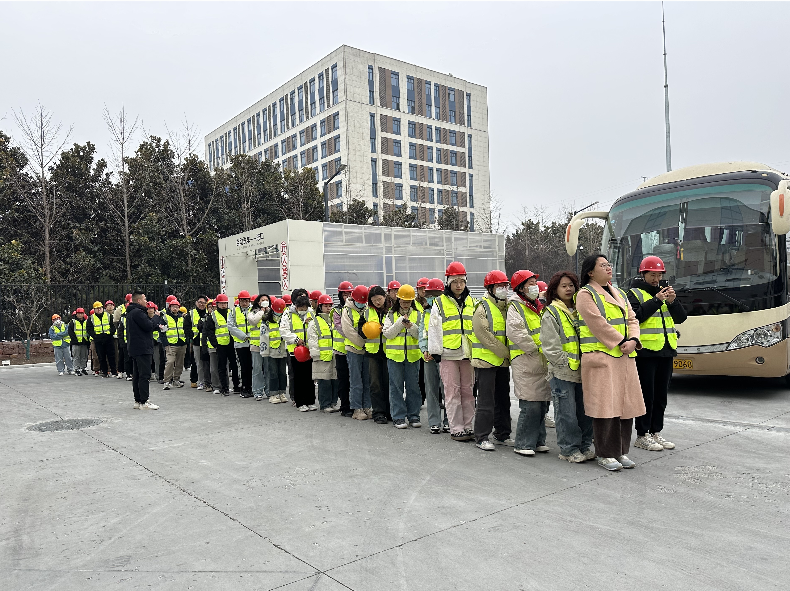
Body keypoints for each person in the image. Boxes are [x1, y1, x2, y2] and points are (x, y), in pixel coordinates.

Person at [577, 254, 646, 471]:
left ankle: (621, 451)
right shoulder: (585, 294)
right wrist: (622, 341)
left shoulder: (619, 293)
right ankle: (606, 453)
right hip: (602, 356)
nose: (609, 268)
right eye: (603, 265)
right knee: (605, 407)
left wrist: (634, 340)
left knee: (625, 406)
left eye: (609, 264)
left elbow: (632, 319)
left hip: (624, 356)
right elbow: (598, 324)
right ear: (590, 272)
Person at [628, 255, 686, 452]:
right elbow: (636, 317)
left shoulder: (665, 293)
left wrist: (672, 302)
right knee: (647, 395)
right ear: (643, 274)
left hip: (666, 350)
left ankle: (656, 432)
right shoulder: (634, 294)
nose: (656, 279)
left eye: (659, 275)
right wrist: (656, 300)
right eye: (652, 275)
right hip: (646, 352)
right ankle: (642, 435)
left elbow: (681, 318)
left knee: (661, 395)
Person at [541, 271, 594, 463]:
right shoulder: (551, 312)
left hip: (584, 369)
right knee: (567, 414)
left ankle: (584, 445)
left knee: (585, 411)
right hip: (563, 371)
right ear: (554, 290)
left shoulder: (581, 309)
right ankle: (568, 449)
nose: (568, 289)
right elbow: (549, 345)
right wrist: (564, 363)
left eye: (571, 285)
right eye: (563, 286)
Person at [428, 262, 476, 442]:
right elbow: (433, 328)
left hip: (467, 353)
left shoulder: (472, 301)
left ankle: (469, 426)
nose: (458, 285)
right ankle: (456, 428)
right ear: (448, 282)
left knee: (468, 392)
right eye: (455, 281)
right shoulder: (440, 302)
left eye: (461, 281)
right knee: (452, 392)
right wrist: (435, 351)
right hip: (448, 353)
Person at [508, 270, 552, 457]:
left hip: (540, 358)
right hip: (526, 359)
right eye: (530, 282)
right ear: (521, 287)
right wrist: (534, 348)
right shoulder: (516, 307)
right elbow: (515, 332)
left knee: (542, 403)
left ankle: (538, 440)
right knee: (530, 403)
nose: (535, 285)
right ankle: (524, 442)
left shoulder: (537, 305)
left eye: (535, 282)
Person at [469, 270, 514, 451]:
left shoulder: (506, 306)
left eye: (505, 286)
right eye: (499, 286)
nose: (503, 289)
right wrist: (506, 352)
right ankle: (481, 436)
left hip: (502, 362)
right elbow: (484, 335)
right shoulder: (483, 307)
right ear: (490, 288)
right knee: (486, 401)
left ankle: (502, 434)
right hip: (486, 361)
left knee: (503, 400)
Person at [382, 284, 422, 429]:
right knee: (396, 388)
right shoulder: (391, 315)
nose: (406, 304)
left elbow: (420, 335)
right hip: (394, 357)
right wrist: (400, 323)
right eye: (403, 301)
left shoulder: (418, 314)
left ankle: (414, 416)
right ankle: (398, 417)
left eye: (409, 301)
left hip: (413, 356)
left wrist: (411, 326)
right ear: (398, 300)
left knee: (413, 387)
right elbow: (387, 334)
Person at [419, 278, 449, 434]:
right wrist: (425, 349)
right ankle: (434, 421)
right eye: (429, 294)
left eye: (435, 294)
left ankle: (448, 420)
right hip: (428, 356)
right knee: (431, 389)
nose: (431, 297)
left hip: (444, 355)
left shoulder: (446, 312)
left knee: (447, 390)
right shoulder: (425, 312)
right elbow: (422, 334)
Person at [281, 294, 317, 411]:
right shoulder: (288, 314)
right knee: (298, 377)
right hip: (295, 351)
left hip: (308, 349)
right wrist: (296, 339)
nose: (302, 310)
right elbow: (283, 331)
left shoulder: (311, 313)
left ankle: (310, 401)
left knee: (309, 377)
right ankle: (300, 402)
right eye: (300, 308)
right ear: (296, 306)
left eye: (304, 308)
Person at [342, 285, 372, 420]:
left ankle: (367, 406)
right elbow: (348, 331)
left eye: (363, 302)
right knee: (356, 381)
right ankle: (356, 408)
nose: (361, 304)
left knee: (367, 380)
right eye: (359, 301)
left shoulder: (367, 309)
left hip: (366, 351)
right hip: (353, 349)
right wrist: (362, 343)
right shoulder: (346, 310)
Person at [126, 291, 159, 410]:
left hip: (135, 348)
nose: (146, 301)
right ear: (139, 300)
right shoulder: (138, 313)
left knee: (137, 375)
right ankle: (144, 401)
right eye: (144, 299)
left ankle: (138, 400)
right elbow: (149, 326)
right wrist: (156, 317)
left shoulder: (131, 312)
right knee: (144, 375)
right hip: (142, 348)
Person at [309, 294, 340, 412]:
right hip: (322, 357)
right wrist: (315, 354)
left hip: (334, 355)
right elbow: (312, 339)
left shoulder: (334, 320)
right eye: (325, 306)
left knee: (334, 380)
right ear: (320, 307)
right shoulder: (315, 322)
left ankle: (333, 402)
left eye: (330, 306)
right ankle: (325, 404)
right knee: (324, 381)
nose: (328, 308)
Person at [204, 293, 239, 396]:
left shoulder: (231, 313)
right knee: (222, 367)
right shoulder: (213, 315)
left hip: (232, 343)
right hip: (220, 345)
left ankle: (237, 386)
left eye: (225, 303)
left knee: (234, 365)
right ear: (217, 304)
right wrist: (215, 344)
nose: (223, 305)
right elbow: (209, 331)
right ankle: (224, 388)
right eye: (221, 303)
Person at [366, 285, 391, 424]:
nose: (377, 302)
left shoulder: (392, 310)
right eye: (374, 300)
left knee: (389, 383)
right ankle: (378, 412)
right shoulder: (367, 312)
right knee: (375, 384)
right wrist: (370, 330)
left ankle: (390, 411)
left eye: (379, 299)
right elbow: (360, 329)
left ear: (384, 297)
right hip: (373, 352)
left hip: (389, 351)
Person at [332, 281, 354, 417]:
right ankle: (345, 406)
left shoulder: (356, 308)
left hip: (354, 349)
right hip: (341, 350)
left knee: (355, 379)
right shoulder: (337, 311)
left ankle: (355, 404)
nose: (347, 297)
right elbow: (341, 328)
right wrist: (354, 335)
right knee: (343, 379)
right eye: (344, 294)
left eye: (349, 294)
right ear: (340, 295)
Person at [228, 290, 255, 398]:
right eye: (242, 300)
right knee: (243, 367)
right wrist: (243, 336)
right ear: (239, 301)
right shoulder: (234, 311)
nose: (244, 303)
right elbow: (230, 326)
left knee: (252, 366)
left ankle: (252, 387)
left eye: (246, 300)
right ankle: (245, 388)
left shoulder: (253, 310)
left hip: (252, 342)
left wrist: (250, 335)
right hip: (240, 343)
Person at [262, 297, 289, 403]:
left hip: (283, 350)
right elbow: (263, 337)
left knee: (282, 373)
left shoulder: (286, 319)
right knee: (273, 373)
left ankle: (282, 392)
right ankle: (273, 394)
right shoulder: (267, 321)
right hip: (272, 351)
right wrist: (265, 352)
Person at [247, 294, 269, 401]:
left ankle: (269, 391)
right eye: (262, 300)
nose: (265, 301)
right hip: (256, 345)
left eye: (266, 300)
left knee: (268, 369)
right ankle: (257, 391)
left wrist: (268, 311)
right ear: (258, 302)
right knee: (257, 369)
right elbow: (253, 321)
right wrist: (262, 311)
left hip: (268, 345)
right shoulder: (252, 312)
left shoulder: (271, 312)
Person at [162, 299, 187, 390]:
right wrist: (165, 343)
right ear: (170, 308)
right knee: (170, 362)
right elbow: (162, 332)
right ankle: (167, 381)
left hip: (181, 343)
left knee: (180, 363)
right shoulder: (165, 317)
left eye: (177, 307)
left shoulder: (182, 317)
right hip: (171, 344)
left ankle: (176, 379)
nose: (175, 308)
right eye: (173, 307)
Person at [88, 301, 117, 378]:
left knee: (111, 355)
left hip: (108, 338)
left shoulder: (108, 316)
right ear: (94, 309)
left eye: (100, 308)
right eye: (97, 308)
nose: (99, 310)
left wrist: (110, 334)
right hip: (98, 339)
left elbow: (113, 326)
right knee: (101, 356)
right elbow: (89, 329)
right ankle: (104, 372)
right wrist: (95, 336)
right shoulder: (91, 318)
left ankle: (114, 371)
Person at [187, 295, 209, 390]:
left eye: (204, 303)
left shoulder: (209, 312)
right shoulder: (191, 313)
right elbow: (186, 327)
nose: (201, 304)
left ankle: (208, 381)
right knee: (198, 363)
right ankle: (200, 381)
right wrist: (192, 336)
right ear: (196, 302)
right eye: (200, 302)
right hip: (196, 342)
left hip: (208, 342)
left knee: (208, 363)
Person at [69, 308, 90, 376]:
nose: (80, 315)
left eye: (81, 313)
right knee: (76, 356)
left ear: (84, 314)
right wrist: (75, 340)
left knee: (84, 356)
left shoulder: (86, 322)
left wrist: (87, 340)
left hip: (84, 342)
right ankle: (76, 369)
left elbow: (88, 331)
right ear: (76, 314)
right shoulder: (73, 322)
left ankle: (83, 368)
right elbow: (71, 332)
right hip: (76, 343)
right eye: (79, 313)